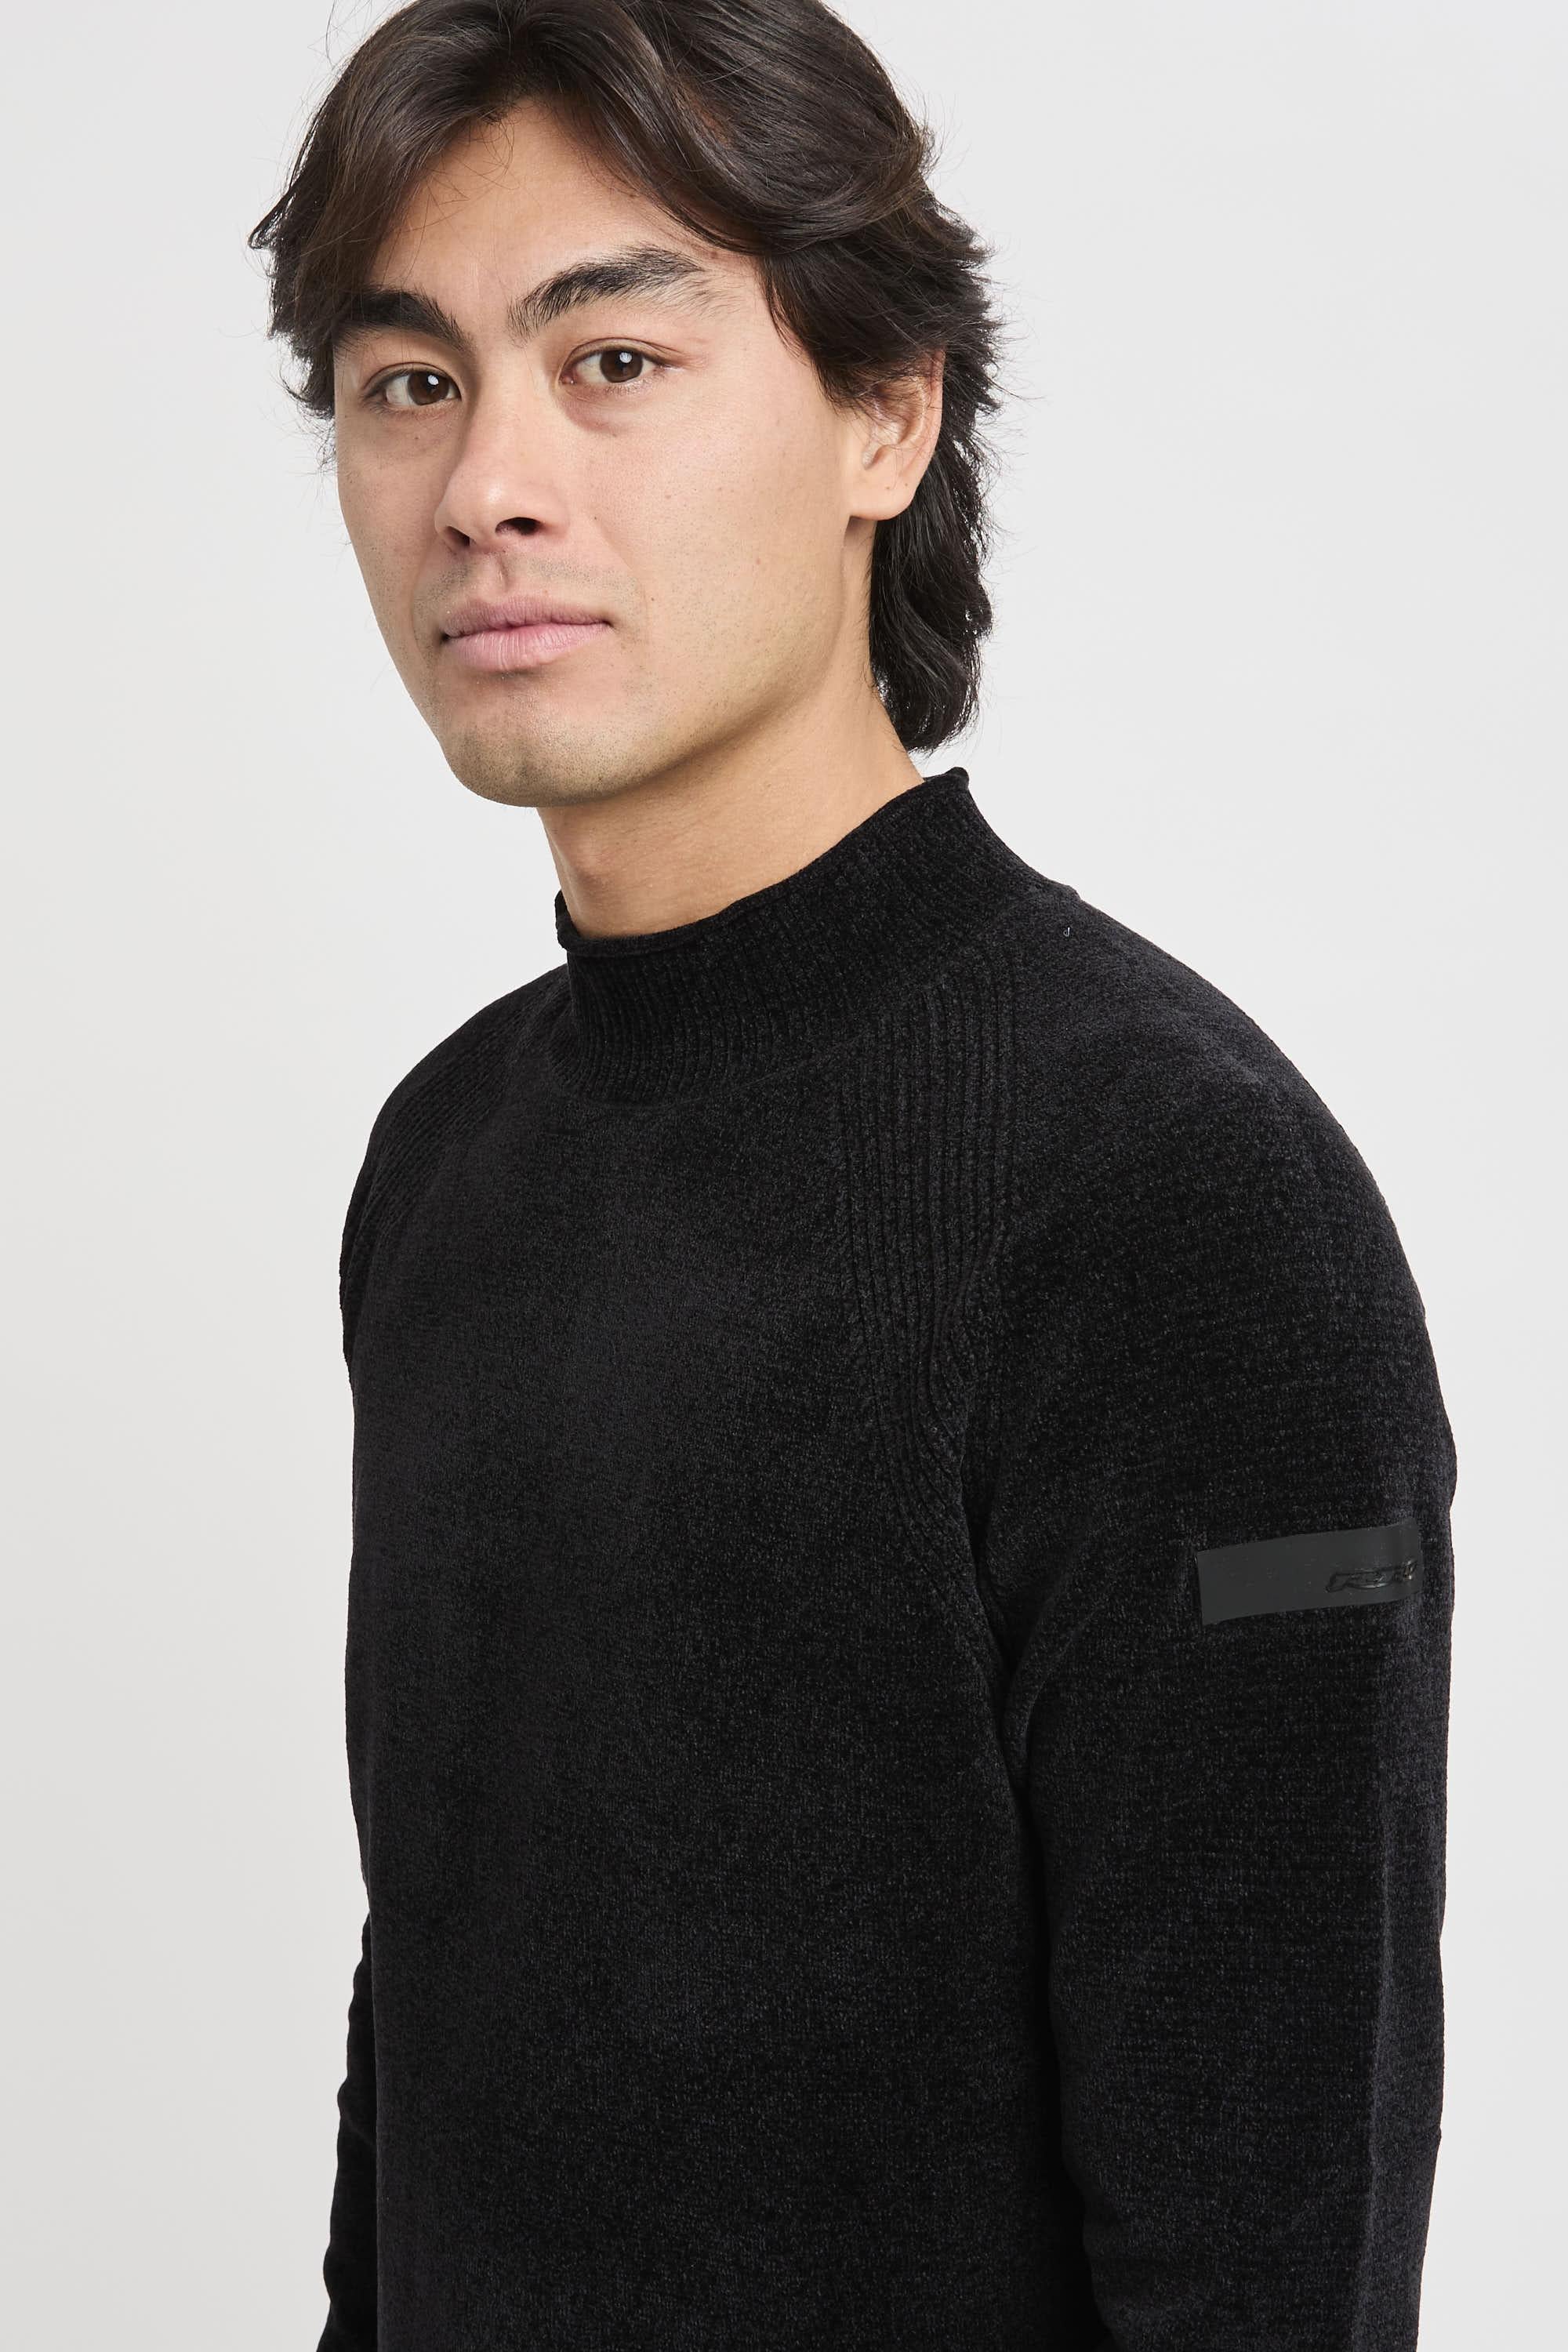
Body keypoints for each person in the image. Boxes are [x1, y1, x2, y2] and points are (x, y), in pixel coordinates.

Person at [248, 5, 1457, 2347]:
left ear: (886, 415)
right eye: (410, 383)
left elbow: (1270, 2255)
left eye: (611, 361)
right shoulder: (449, 1160)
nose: (487, 483)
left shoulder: (1180, 1202)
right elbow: (446, 2020)